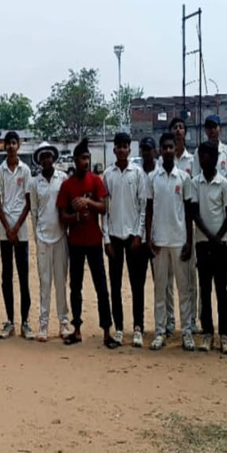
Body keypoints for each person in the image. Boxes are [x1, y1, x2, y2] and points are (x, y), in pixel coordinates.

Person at [58, 139, 113, 347]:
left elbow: (103, 208)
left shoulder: (96, 181)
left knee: (102, 287)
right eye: (82, 158)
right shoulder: (67, 185)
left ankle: (106, 331)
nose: (86, 162)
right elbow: (62, 215)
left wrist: (88, 202)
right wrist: (76, 217)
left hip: (94, 241)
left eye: (88, 158)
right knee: (76, 287)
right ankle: (77, 329)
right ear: (75, 160)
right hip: (75, 243)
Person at [145, 132, 194, 351]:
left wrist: (189, 241)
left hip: (179, 240)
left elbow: (189, 212)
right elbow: (148, 210)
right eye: (164, 147)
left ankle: (187, 332)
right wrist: (149, 238)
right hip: (159, 241)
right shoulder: (152, 178)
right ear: (159, 150)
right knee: (160, 289)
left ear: (175, 149)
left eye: (170, 147)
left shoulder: (183, 178)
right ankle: (159, 331)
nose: (167, 151)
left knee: (183, 289)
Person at [195, 114, 227, 336]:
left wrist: (221, 232)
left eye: (215, 127)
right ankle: (205, 326)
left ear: (220, 128)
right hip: (203, 231)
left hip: (224, 227)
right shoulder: (199, 155)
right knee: (204, 285)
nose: (212, 130)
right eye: (209, 127)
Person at [190, 141, 227, 354]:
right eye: (201, 156)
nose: (204, 159)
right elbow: (195, 213)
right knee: (205, 290)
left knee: (221, 290)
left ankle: (224, 335)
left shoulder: (223, 183)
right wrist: (209, 236)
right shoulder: (195, 183)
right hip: (202, 243)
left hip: (220, 244)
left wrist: (218, 237)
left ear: (216, 159)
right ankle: (208, 333)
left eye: (208, 155)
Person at [102, 132, 145, 348]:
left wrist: (139, 235)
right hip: (114, 237)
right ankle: (119, 328)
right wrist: (106, 239)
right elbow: (104, 210)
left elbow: (143, 206)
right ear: (114, 150)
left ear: (130, 149)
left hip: (133, 237)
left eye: (125, 146)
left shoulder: (137, 173)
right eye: (118, 146)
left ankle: (138, 327)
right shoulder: (108, 174)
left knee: (137, 284)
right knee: (115, 284)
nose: (121, 149)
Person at [0, 131, 33, 339]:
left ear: (19, 145)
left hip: (21, 231)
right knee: (6, 276)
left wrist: (16, 228)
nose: (10, 146)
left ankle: (25, 322)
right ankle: (9, 321)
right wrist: (8, 228)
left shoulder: (25, 170)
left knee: (23, 277)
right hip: (5, 232)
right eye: (7, 143)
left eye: (14, 143)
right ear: (4, 146)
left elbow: (28, 202)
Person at [28, 141, 70, 342]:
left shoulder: (62, 178)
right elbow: (34, 211)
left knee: (61, 282)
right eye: (43, 157)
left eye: (49, 156)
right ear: (39, 160)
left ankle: (63, 322)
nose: (46, 159)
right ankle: (43, 324)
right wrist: (37, 237)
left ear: (53, 158)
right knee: (45, 282)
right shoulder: (34, 183)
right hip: (43, 238)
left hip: (60, 236)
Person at [133, 136, 158, 346]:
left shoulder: (161, 172)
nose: (146, 152)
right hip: (141, 238)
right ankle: (138, 325)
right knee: (138, 284)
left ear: (155, 150)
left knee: (162, 283)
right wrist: (140, 234)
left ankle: (163, 324)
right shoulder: (136, 173)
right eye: (143, 149)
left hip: (159, 236)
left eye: (149, 149)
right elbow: (139, 208)